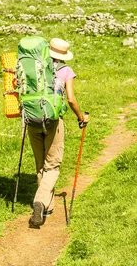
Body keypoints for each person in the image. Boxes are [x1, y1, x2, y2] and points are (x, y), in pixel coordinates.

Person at [27, 37, 90, 228]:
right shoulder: (66, 70)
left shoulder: (35, 68)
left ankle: (47, 205)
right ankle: (40, 201)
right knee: (52, 166)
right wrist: (81, 117)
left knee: (40, 164)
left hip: (32, 120)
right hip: (53, 121)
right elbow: (70, 99)